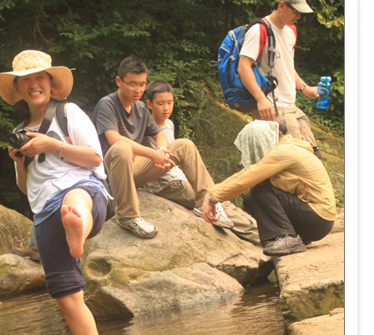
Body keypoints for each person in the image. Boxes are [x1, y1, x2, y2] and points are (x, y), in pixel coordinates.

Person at [0, 49, 111, 335]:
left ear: (50, 82)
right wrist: (19, 161)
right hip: (45, 212)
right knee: (66, 294)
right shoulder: (20, 131)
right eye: (26, 80)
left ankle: (77, 232)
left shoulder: (68, 113)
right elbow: (26, 188)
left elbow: (95, 158)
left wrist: (51, 144)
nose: (34, 85)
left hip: (83, 189)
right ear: (18, 88)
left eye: (40, 78)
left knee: (72, 203)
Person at [91, 57, 233, 238]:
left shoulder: (140, 108)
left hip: (133, 169)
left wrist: (161, 152)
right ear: (119, 81)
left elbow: (159, 135)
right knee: (122, 147)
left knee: (184, 145)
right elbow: (114, 139)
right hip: (111, 171)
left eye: (142, 84)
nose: (138, 90)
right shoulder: (107, 104)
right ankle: (127, 216)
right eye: (132, 84)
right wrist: (152, 154)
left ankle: (207, 201)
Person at [143, 80, 261, 245]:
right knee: (218, 203)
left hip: (183, 179)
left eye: (170, 102)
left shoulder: (169, 124)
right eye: (160, 104)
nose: (166, 108)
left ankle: (265, 230)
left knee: (222, 200)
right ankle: (263, 236)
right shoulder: (145, 128)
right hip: (168, 184)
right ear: (149, 104)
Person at [200, 120, 336, 256]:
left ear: (260, 140)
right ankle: (292, 236)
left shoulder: (283, 151)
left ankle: (287, 237)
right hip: (317, 220)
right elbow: (246, 173)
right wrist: (211, 192)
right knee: (250, 199)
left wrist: (214, 199)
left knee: (260, 186)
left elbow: (244, 181)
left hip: (317, 219)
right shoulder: (285, 147)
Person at [238, 0, 320, 151]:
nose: (299, 16)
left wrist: (305, 88)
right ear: (281, 6)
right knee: (293, 159)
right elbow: (243, 67)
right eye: (295, 11)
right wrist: (261, 99)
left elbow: (288, 65)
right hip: (272, 107)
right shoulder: (259, 30)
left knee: (313, 153)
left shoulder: (291, 31)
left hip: (291, 106)